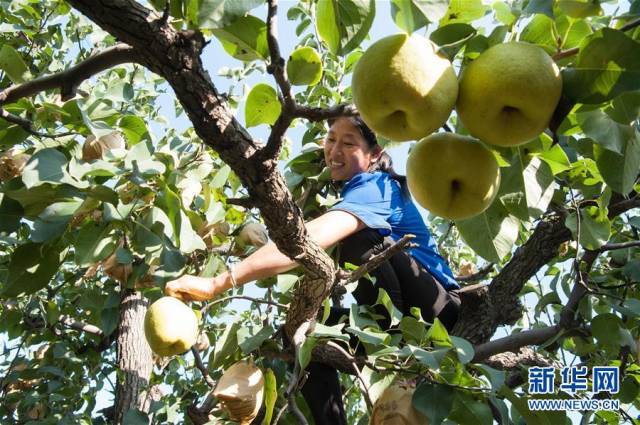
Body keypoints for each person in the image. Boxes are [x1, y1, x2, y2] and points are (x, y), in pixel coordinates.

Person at [165, 115, 461, 424]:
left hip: (439, 310)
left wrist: (219, 283)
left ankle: (405, 347)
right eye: (331, 139)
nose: (335, 150)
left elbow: (306, 242)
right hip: (399, 324)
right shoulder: (355, 190)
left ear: (374, 155)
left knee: (358, 240)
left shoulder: (378, 186)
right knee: (303, 332)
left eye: (349, 143)